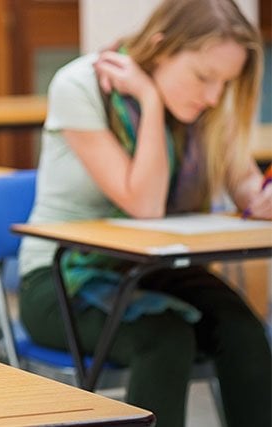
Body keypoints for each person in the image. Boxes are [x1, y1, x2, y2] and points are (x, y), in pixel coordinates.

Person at [17, 0, 270, 426]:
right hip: (61, 281)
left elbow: (244, 184)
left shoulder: (208, 103)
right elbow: (145, 205)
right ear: (160, 47)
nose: (213, 95)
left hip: (154, 269)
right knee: (165, 339)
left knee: (242, 330)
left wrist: (261, 197)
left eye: (225, 83)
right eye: (204, 77)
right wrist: (150, 101)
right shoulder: (80, 85)